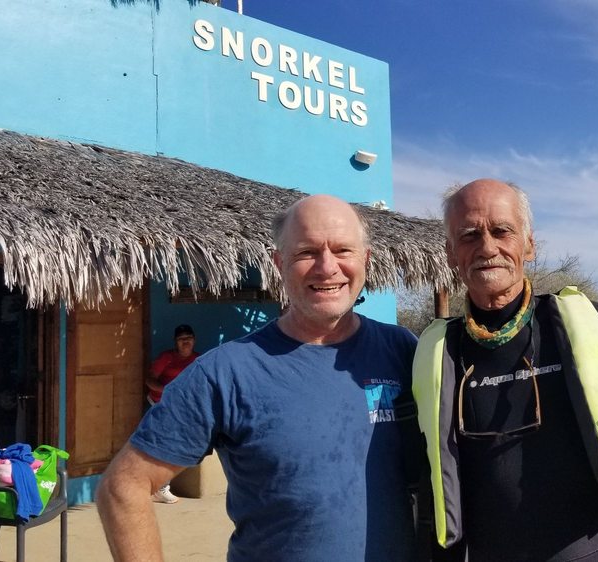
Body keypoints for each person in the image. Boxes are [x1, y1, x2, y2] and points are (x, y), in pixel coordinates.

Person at [98, 195, 419, 561]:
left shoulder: (402, 350)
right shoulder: (225, 372)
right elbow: (123, 487)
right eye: (306, 252)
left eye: (343, 249)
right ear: (279, 264)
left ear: (366, 259)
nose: (327, 266)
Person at [413, 178, 598, 561]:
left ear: (529, 244)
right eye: (468, 235)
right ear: (450, 253)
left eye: (502, 231)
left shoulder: (584, 326)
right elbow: (435, 487)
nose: (487, 247)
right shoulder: (443, 353)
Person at [144, 323, 200, 504]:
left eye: (189, 338)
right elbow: (149, 380)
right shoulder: (167, 358)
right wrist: (167, 391)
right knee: (167, 444)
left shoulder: (198, 359)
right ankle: (160, 488)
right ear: (176, 342)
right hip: (162, 404)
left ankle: (160, 486)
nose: (186, 342)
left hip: (184, 407)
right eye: (181, 339)